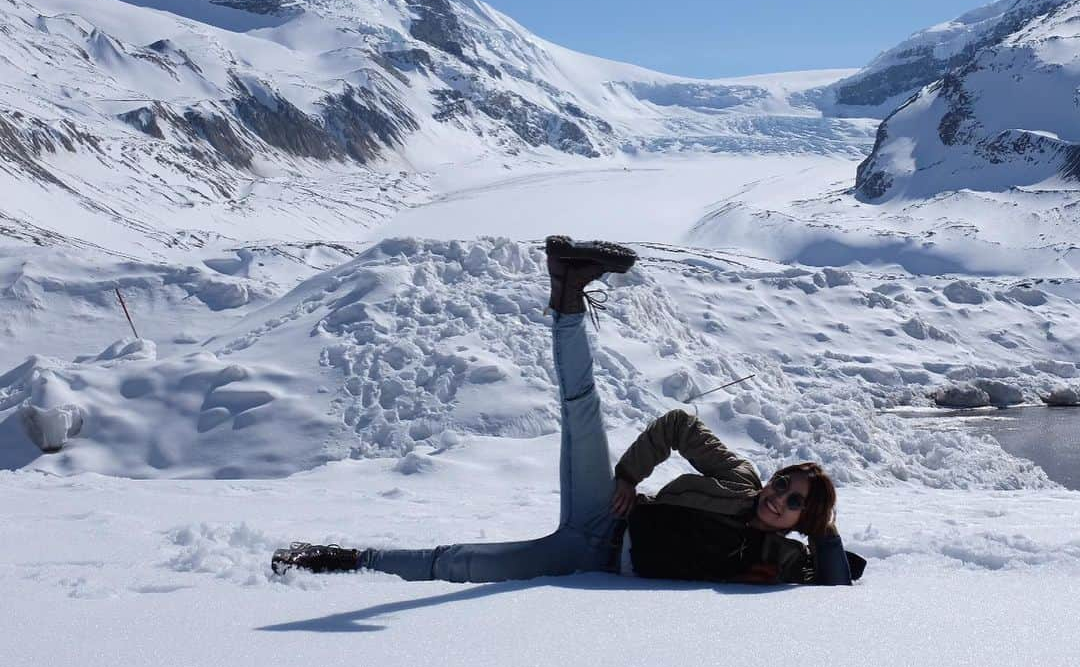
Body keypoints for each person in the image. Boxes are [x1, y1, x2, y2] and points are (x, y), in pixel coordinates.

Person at [272, 236, 859, 586]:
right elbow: (679, 424)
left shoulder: (786, 558)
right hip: (608, 514)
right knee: (582, 408)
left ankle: (349, 560)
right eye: (783, 481)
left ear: (805, 519)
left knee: (465, 566)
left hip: (590, 560)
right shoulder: (739, 480)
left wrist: (821, 530)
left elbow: (835, 582)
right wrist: (629, 477)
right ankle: (569, 291)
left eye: (793, 501)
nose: (777, 495)